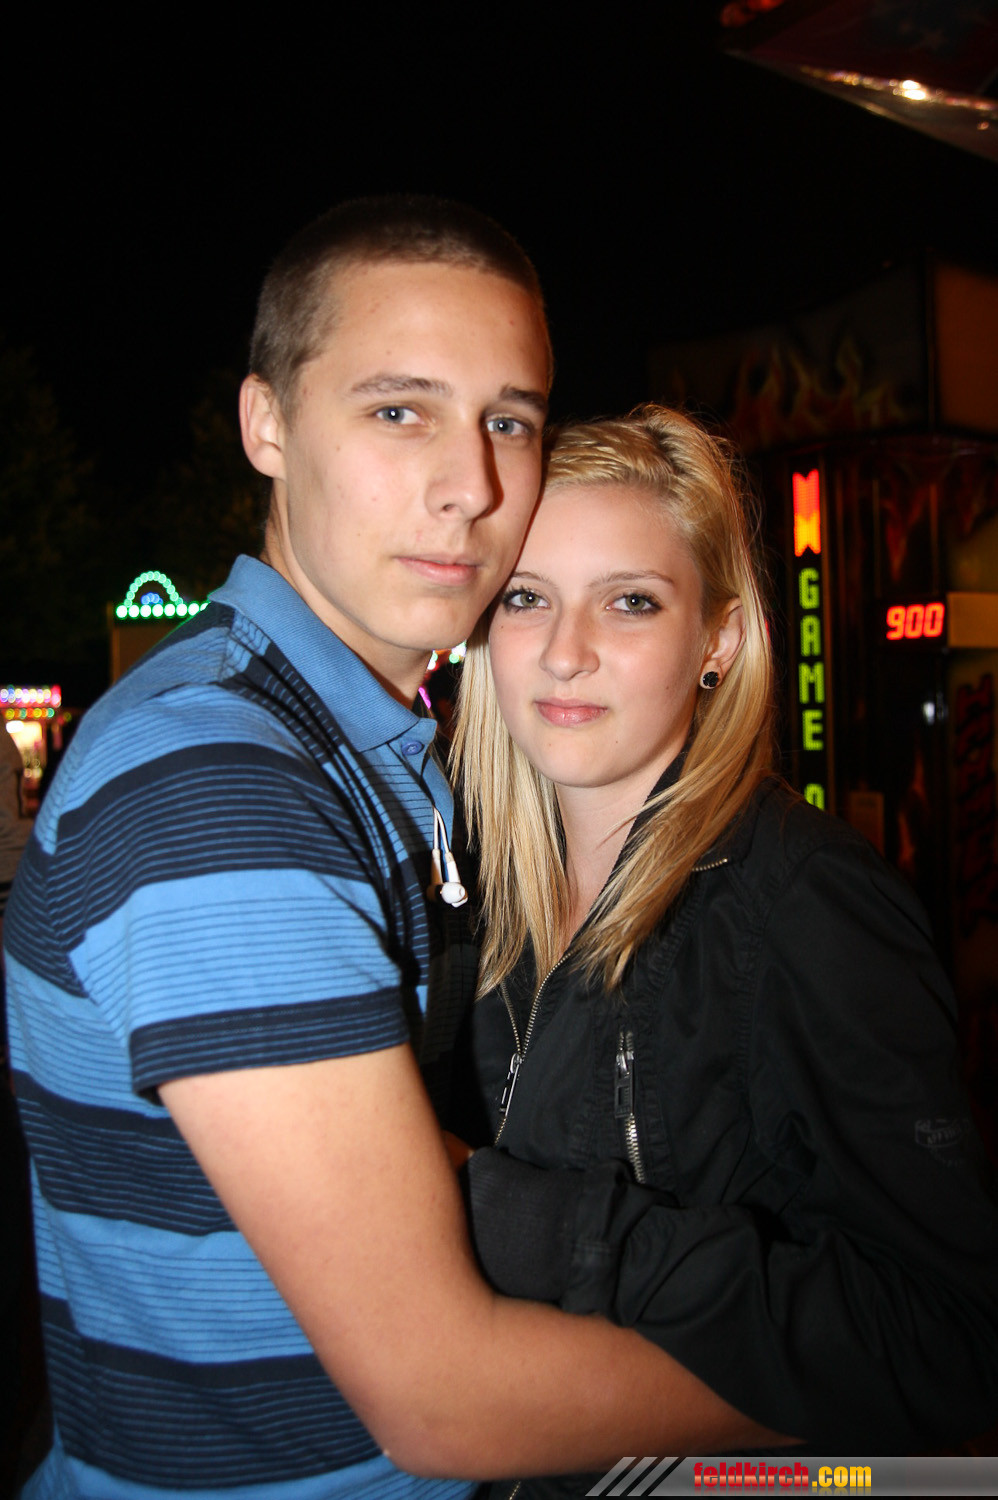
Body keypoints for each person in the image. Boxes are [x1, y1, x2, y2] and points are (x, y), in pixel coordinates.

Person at [4, 203, 785, 1500]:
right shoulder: (218, 789)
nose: (471, 486)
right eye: (398, 410)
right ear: (266, 424)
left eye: (508, 422)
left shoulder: (357, 746)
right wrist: (856, 1389)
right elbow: (443, 1400)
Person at [448, 405, 998, 1489]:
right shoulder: (468, 900)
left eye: (630, 601)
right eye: (525, 597)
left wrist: (557, 1232)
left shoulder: (806, 902)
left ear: (720, 640)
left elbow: (950, 1339)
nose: (564, 651)